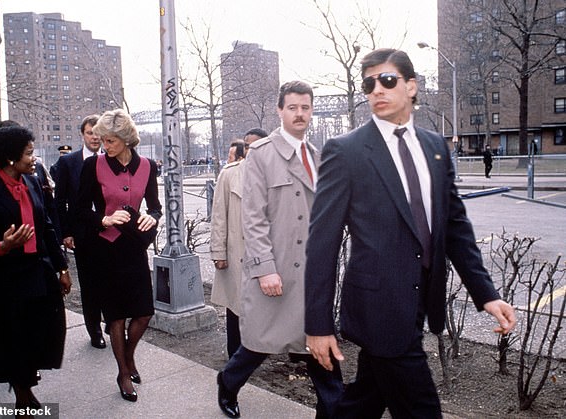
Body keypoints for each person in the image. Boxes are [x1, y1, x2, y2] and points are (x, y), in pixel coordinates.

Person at [304, 48, 517, 418]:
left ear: (412, 86)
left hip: (422, 298)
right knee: (421, 409)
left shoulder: (435, 147)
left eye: (387, 80)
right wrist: (317, 326)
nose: (377, 90)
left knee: (366, 397)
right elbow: (322, 244)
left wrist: (486, 293)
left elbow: (454, 226)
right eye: (369, 84)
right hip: (378, 305)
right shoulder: (346, 151)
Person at [216, 82, 343, 419]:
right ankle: (228, 382)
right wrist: (264, 267)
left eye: (305, 107)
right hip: (276, 272)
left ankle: (330, 411)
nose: (299, 114)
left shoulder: (318, 156)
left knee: (320, 352)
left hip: (311, 277)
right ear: (280, 110)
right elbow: (252, 218)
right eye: (292, 108)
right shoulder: (261, 154)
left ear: (311, 110)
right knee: (257, 347)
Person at [0, 125, 71, 410]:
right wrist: (4, 245)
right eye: (29, 153)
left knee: (41, 335)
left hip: (39, 273)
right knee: (15, 340)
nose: (34, 158)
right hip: (7, 281)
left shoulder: (33, 182)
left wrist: (62, 268)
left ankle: (26, 385)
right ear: (11, 158)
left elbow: (47, 227)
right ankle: (22, 398)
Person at [77, 109, 162, 403]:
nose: (104, 146)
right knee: (116, 315)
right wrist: (103, 219)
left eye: (110, 141)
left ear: (126, 140)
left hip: (135, 248)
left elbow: (155, 206)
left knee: (144, 312)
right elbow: (78, 210)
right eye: (102, 140)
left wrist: (153, 217)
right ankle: (123, 372)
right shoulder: (94, 166)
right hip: (106, 249)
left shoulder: (148, 166)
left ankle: (127, 355)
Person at [210, 129, 268, 359]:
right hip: (236, 253)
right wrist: (218, 252)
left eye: (257, 145)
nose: (251, 150)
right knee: (235, 307)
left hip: (264, 255)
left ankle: (257, 351)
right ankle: (235, 354)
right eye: (247, 145)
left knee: (263, 307)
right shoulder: (229, 174)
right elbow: (218, 215)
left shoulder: (274, 174)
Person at [53, 115, 106, 349]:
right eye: (89, 133)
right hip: (82, 233)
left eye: (98, 132)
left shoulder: (111, 159)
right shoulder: (69, 163)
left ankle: (112, 324)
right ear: (82, 135)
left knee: (110, 281)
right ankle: (94, 329)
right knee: (90, 283)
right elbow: (60, 201)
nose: (95, 137)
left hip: (108, 231)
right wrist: (66, 232)